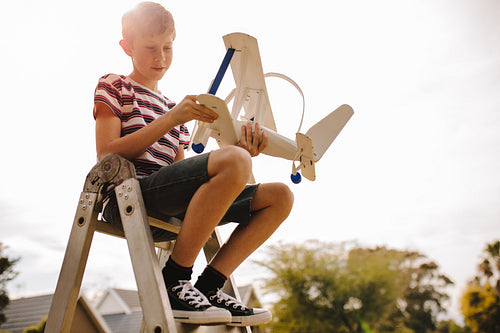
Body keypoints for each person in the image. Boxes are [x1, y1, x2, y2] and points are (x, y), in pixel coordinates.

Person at [93, 1, 294, 327]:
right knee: (234, 160)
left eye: (168, 47)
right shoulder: (115, 86)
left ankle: (210, 285)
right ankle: (175, 279)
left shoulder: (177, 108)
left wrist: (240, 156)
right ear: (126, 47)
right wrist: (172, 119)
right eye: (150, 48)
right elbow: (108, 155)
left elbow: (184, 176)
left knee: (280, 196)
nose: (160, 57)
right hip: (128, 196)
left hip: (169, 202)